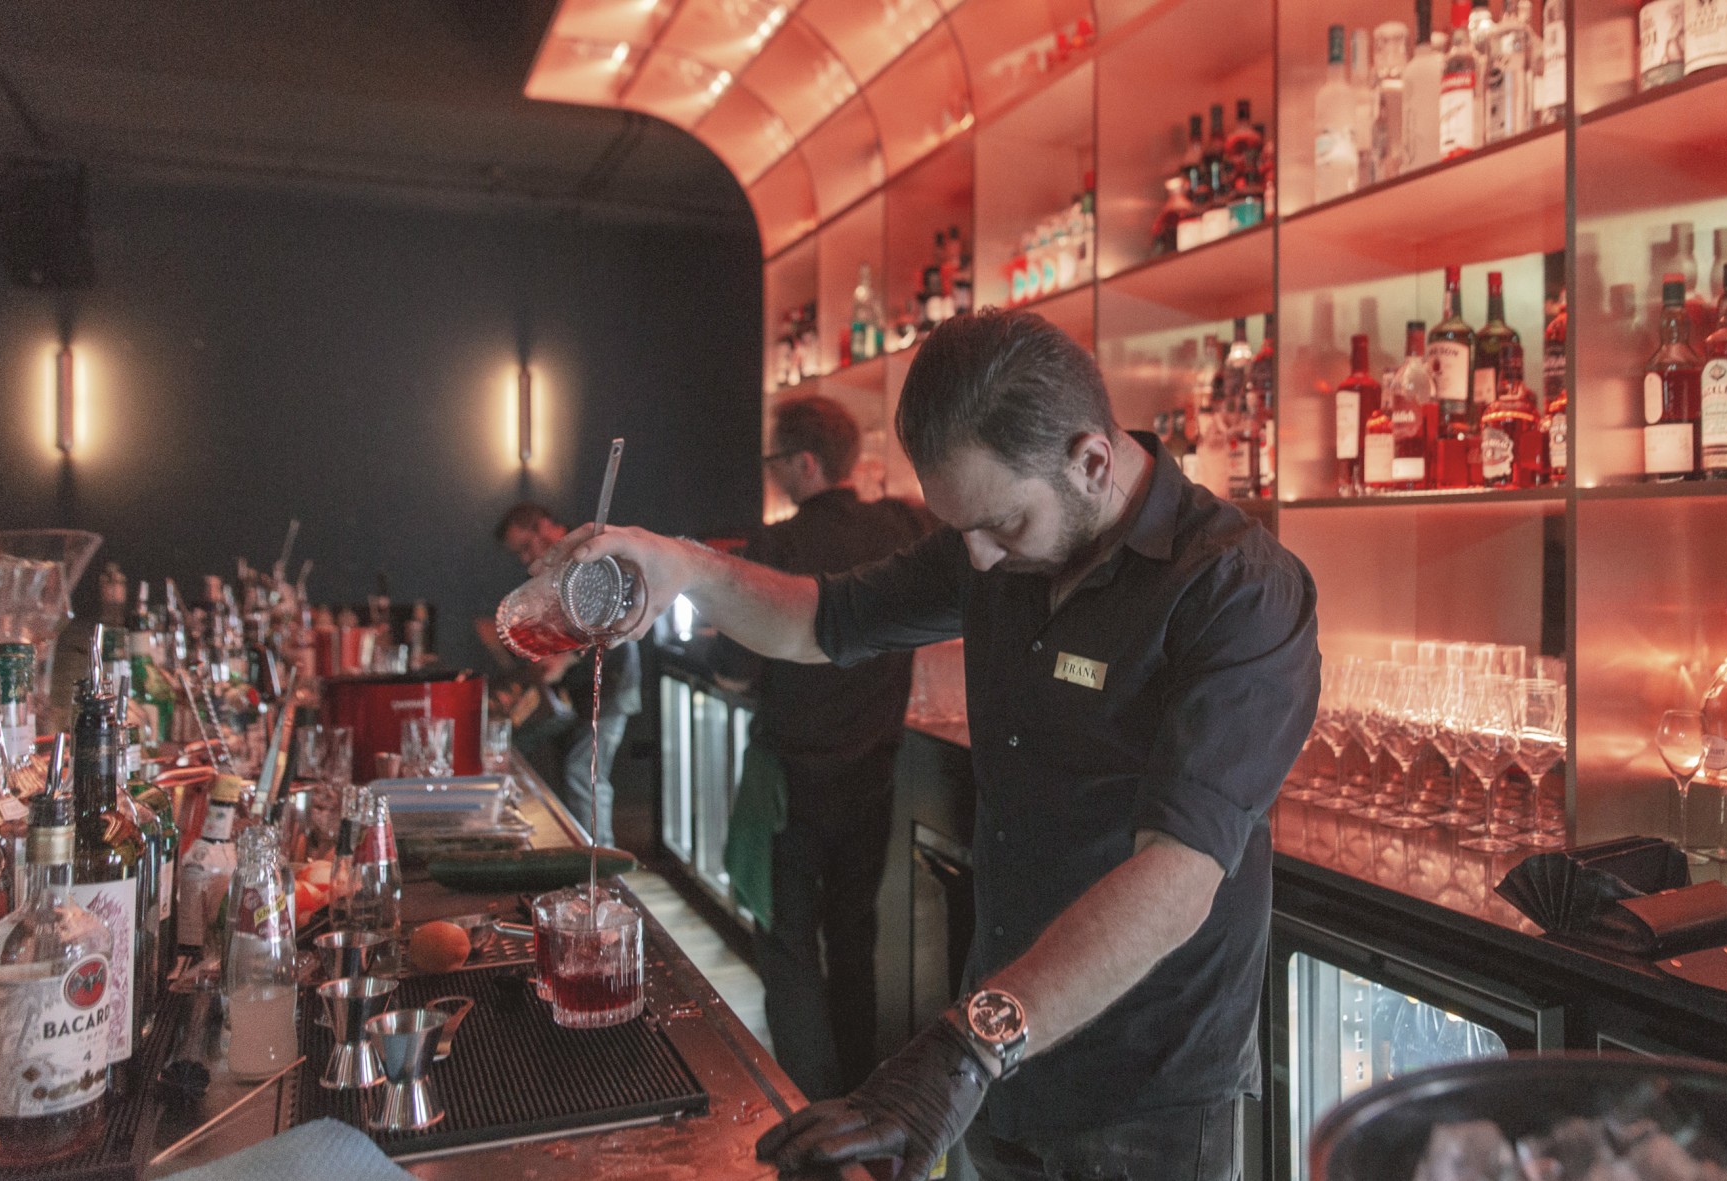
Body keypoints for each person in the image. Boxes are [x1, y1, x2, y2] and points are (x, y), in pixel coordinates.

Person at [536, 309, 1319, 1181]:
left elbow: (1176, 877)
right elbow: (820, 619)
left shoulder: (1238, 591)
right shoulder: (993, 550)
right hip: (998, 1055)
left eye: (1002, 524)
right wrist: (682, 565)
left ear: (1092, 462)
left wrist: (966, 1047)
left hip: (1145, 1086)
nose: (976, 559)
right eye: (963, 529)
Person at [713, 394, 933, 1100]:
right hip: (873, 773)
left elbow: (731, 669)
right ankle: (860, 1101)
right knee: (853, 936)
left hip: (791, 782)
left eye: (776, 460)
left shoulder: (776, 546)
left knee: (788, 944)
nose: (773, 473)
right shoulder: (903, 528)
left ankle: (808, 1101)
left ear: (805, 462)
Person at [494, 502, 642, 846]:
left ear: (542, 526)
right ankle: (588, 858)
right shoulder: (555, 564)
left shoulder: (587, 551)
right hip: (583, 688)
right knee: (578, 774)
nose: (524, 558)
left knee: (584, 774)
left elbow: (612, 614)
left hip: (610, 683)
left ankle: (602, 865)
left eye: (525, 547)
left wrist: (565, 658)